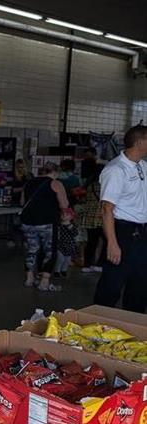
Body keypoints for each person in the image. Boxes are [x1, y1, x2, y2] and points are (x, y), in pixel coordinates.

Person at [94, 125, 147, 313]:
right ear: (140, 142)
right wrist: (112, 243)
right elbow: (107, 209)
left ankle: (134, 324)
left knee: (140, 282)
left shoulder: (142, 166)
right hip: (123, 231)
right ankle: (98, 320)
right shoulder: (116, 170)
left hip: (142, 232)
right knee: (113, 282)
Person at [19, 162, 69, 291]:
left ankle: (29, 278)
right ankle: (44, 281)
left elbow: (22, 202)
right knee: (49, 251)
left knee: (32, 249)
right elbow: (64, 204)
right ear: (55, 172)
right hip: (47, 222)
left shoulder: (29, 183)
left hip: (28, 222)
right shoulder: (56, 183)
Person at [78, 170, 104, 273]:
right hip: (101, 217)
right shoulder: (104, 185)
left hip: (89, 217)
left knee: (91, 242)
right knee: (106, 242)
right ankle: (100, 264)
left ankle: (87, 265)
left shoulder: (90, 186)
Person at [53, 208, 78, 278]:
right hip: (60, 244)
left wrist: (69, 226)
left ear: (71, 217)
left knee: (67, 259)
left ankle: (64, 270)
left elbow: (75, 233)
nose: (64, 215)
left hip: (69, 245)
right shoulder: (59, 225)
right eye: (62, 214)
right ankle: (57, 271)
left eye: (67, 214)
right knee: (60, 258)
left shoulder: (72, 226)